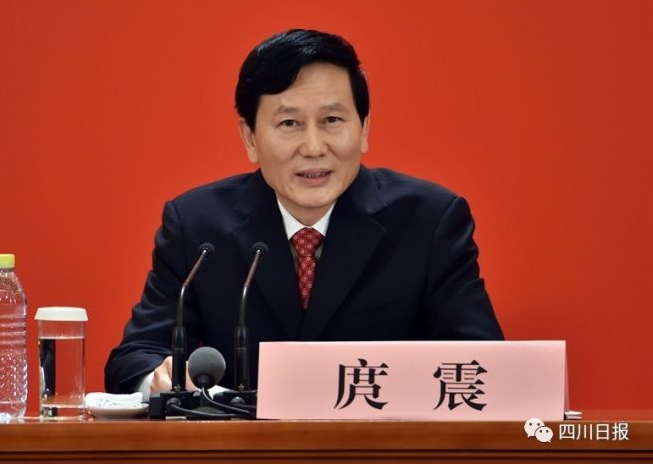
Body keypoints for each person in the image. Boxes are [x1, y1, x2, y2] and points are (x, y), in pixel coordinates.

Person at [105, 29, 503, 398]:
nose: (313, 147)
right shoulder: (197, 226)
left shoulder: (429, 221)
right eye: (289, 123)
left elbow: (483, 364)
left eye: (332, 120)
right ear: (250, 138)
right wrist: (159, 379)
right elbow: (135, 357)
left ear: (364, 129)